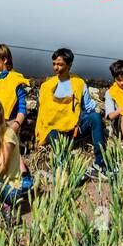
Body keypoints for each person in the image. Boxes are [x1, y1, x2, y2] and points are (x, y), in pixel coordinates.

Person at [34, 46, 107, 178]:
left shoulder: (78, 83)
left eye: (60, 64)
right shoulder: (46, 86)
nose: (56, 68)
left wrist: (98, 113)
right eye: (54, 64)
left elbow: (88, 106)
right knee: (54, 135)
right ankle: (64, 170)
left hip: (74, 131)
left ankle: (100, 164)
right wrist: (39, 137)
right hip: (54, 131)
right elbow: (41, 113)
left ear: (69, 65)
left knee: (95, 117)